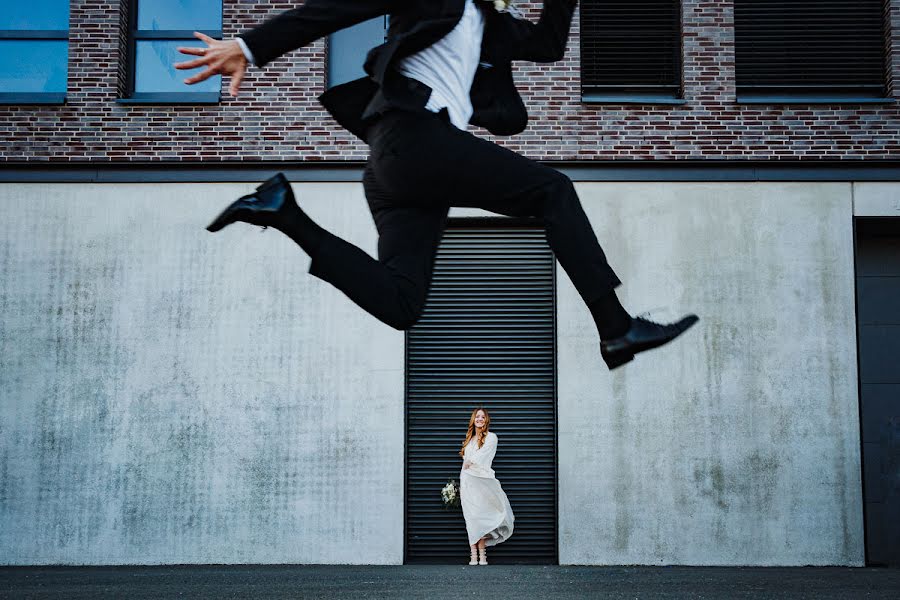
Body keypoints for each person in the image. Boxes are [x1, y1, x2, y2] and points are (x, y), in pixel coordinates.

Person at [173, 0, 698, 369]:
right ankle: (615, 327)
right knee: (552, 190)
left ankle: (285, 212)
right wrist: (249, 45)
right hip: (411, 137)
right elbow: (335, 9)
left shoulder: (487, 21)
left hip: (399, 168)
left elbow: (549, 43)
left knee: (403, 304)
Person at [460, 407, 513, 565]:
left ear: (486, 420)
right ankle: (473, 555)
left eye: (483, 417)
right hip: (468, 483)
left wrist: (471, 462)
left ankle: (483, 555)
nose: (480, 419)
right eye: (477, 417)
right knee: (471, 518)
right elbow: (465, 464)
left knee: (481, 517)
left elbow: (483, 456)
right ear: (473, 420)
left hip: (483, 481)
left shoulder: (491, 437)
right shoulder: (469, 440)